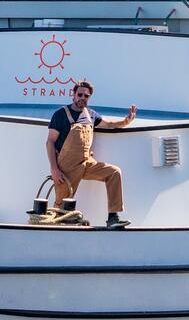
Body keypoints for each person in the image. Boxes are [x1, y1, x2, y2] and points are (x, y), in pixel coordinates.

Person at [45, 80, 136, 228]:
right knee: (60, 208)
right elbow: (50, 142)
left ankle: (113, 217)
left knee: (114, 173)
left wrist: (126, 121)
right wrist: (54, 169)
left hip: (87, 163)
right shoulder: (60, 114)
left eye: (86, 96)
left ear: (89, 97)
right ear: (73, 95)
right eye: (79, 94)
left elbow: (109, 124)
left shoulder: (91, 115)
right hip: (66, 168)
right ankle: (55, 228)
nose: (82, 97)